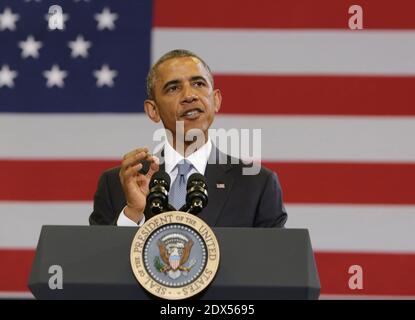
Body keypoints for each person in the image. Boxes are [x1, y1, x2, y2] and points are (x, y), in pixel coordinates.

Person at [89, 49, 287, 227]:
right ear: (153, 110)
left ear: (216, 100)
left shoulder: (257, 184)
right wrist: (132, 213)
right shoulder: (116, 184)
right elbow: (97, 264)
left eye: (198, 84)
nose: (189, 96)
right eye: (173, 88)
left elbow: (276, 263)